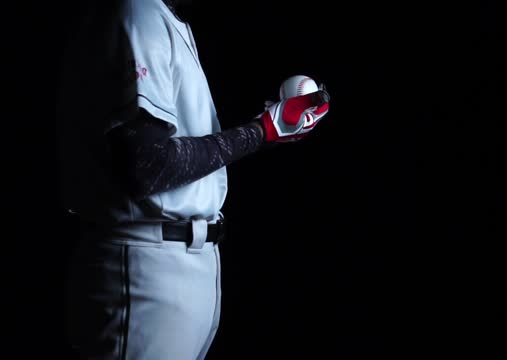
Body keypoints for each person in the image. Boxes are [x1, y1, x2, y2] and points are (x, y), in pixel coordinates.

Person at [55, 0, 329, 358]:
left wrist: (269, 128)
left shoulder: (165, 18)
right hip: (147, 263)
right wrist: (262, 130)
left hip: (185, 264)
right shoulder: (137, 12)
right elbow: (147, 164)